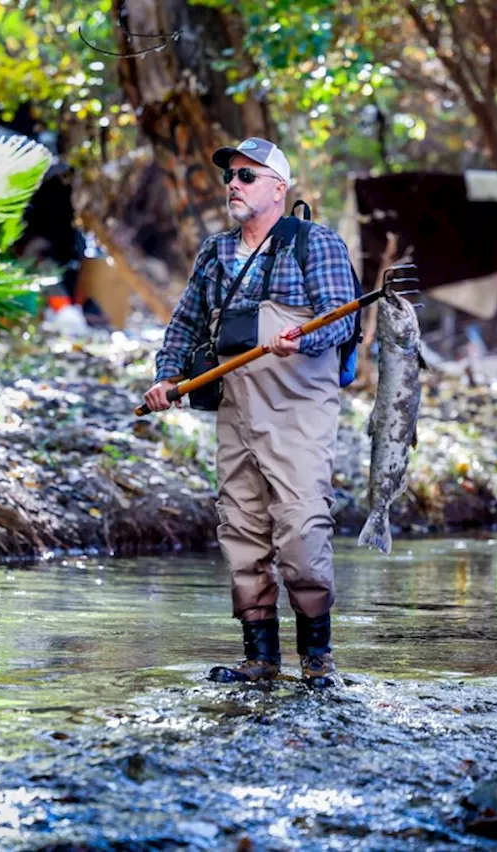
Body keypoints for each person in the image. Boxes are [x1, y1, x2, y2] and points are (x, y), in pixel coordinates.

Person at [143, 137, 359, 688]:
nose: (233, 186)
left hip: (298, 411)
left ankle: (317, 660)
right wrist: (167, 378)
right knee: (241, 531)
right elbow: (187, 326)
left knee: (302, 530)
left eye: (246, 176)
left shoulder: (316, 244)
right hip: (236, 411)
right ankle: (260, 660)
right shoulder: (215, 253)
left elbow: (343, 321)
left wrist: (302, 342)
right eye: (230, 177)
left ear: (278, 189)